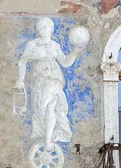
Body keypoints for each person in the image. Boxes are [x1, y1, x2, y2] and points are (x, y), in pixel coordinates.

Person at [16, 18, 81, 152]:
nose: (44, 30)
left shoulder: (54, 45)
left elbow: (65, 62)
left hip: (54, 78)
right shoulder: (32, 44)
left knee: (50, 106)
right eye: (41, 27)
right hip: (38, 80)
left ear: (51, 29)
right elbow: (23, 61)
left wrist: (74, 52)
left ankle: (48, 139)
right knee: (40, 109)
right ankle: (45, 136)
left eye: (47, 27)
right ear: (38, 30)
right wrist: (20, 79)